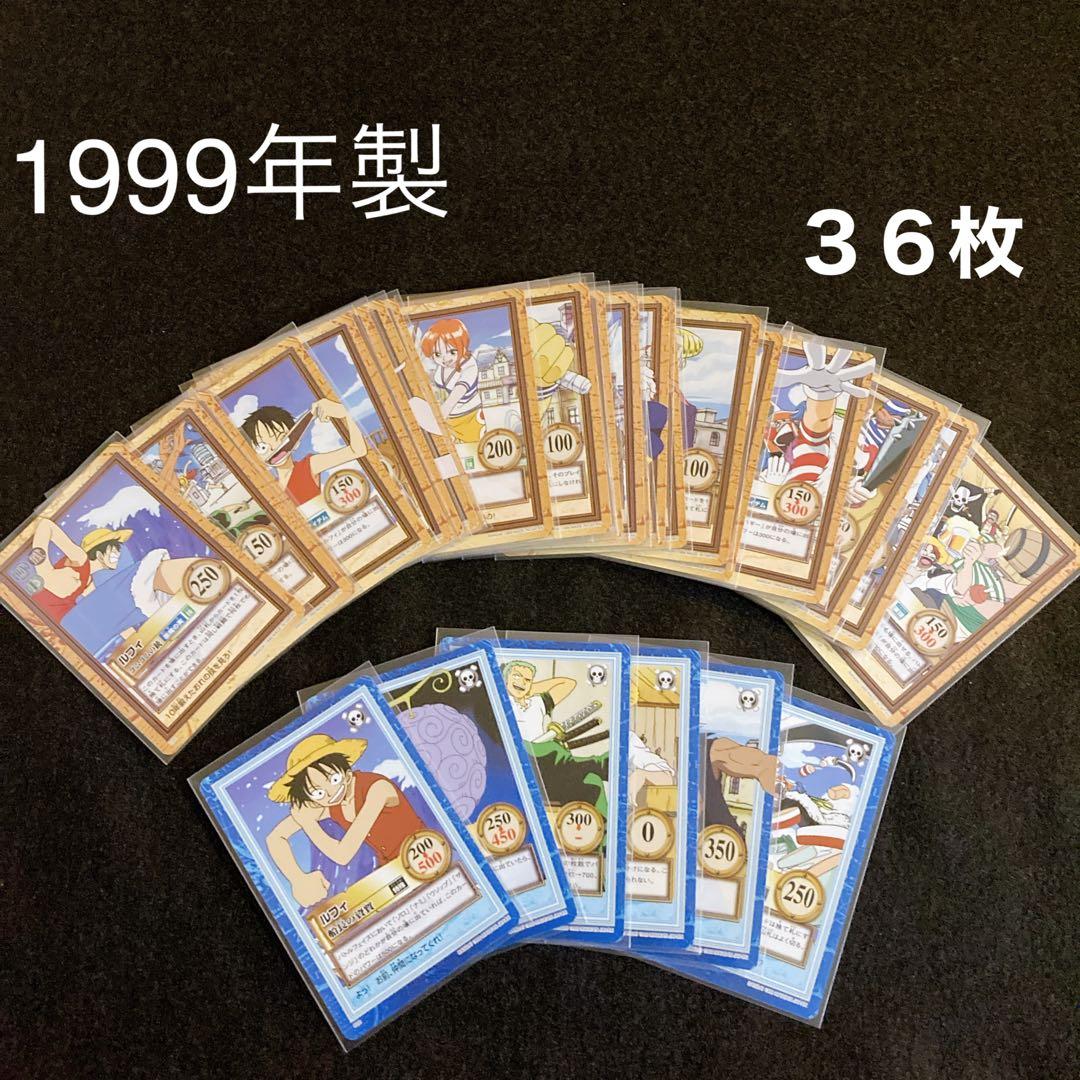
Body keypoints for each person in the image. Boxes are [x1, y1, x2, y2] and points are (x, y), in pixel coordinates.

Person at [265, 733, 426, 909]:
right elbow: (275, 838)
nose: (330, 792)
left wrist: (309, 825)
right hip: (393, 872)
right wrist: (298, 879)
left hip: (426, 854)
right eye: (317, 792)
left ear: (347, 773)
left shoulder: (377, 789)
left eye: (334, 779)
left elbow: (343, 854)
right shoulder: (330, 804)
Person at [240, 397, 367, 508]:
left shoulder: (309, 465)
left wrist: (344, 413)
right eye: (262, 446)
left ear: (296, 441)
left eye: (281, 438)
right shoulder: (270, 488)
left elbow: (357, 450)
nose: (273, 449)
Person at [419, 318, 485, 444]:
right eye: (437, 354)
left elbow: (457, 393)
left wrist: (440, 416)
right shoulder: (442, 367)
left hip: (470, 415)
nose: (445, 359)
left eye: (452, 352)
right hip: (452, 416)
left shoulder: (469, 366)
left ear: (462, 346)